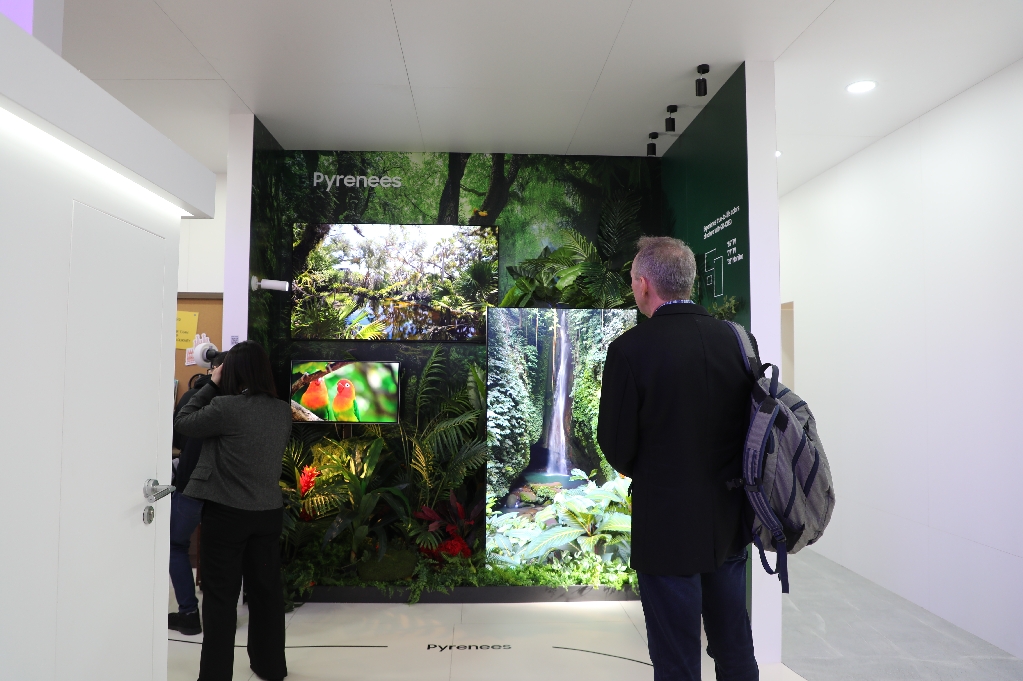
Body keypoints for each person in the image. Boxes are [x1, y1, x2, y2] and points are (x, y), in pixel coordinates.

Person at [597, 236, 759, 681]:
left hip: (666, 528)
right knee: (735, 649)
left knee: (677, 662)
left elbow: (614, 445)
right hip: (728, 522)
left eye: (633, 280)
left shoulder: (630, 350)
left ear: (645, 284)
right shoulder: (739, 341)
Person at [175, 341, 292, 681]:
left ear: (232, 371)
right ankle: (270, 667)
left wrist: (212, 382)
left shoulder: (226, 407)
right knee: (267, 594)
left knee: (220, 598)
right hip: (268, 513)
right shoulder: (282, 410)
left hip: (226, 516)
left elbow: (183, 421)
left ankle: (215, 675)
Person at [168, 371, 215, 636]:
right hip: (224, 491)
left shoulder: (193, 397)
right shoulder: (238, 402)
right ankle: (219, 615)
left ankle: (188, 613)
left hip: (190, 486)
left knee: (175, 546)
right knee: (222, 551)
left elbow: (178, 438)